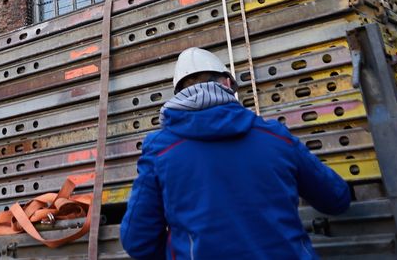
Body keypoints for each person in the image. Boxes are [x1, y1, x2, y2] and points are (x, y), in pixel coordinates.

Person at [120, 47, 350, 260]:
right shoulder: (276, 137)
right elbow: (336, 199)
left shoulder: (160, 150)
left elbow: (137, 241)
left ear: (179, 93)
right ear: (228, 83)